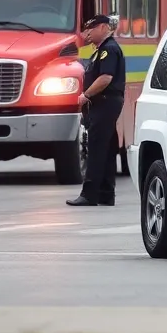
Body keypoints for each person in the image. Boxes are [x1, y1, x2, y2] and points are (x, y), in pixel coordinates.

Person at [67, 15, 125, 207]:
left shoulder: (108, 49)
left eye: (90, 29)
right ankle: (106, 194)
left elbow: (105, 78)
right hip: (105, 104)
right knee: (107, 150)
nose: (87, 33)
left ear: (102, 27)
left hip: (105, 102)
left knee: (96, 149)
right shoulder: (100, 50)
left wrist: (86, 95)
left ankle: (89, 194)